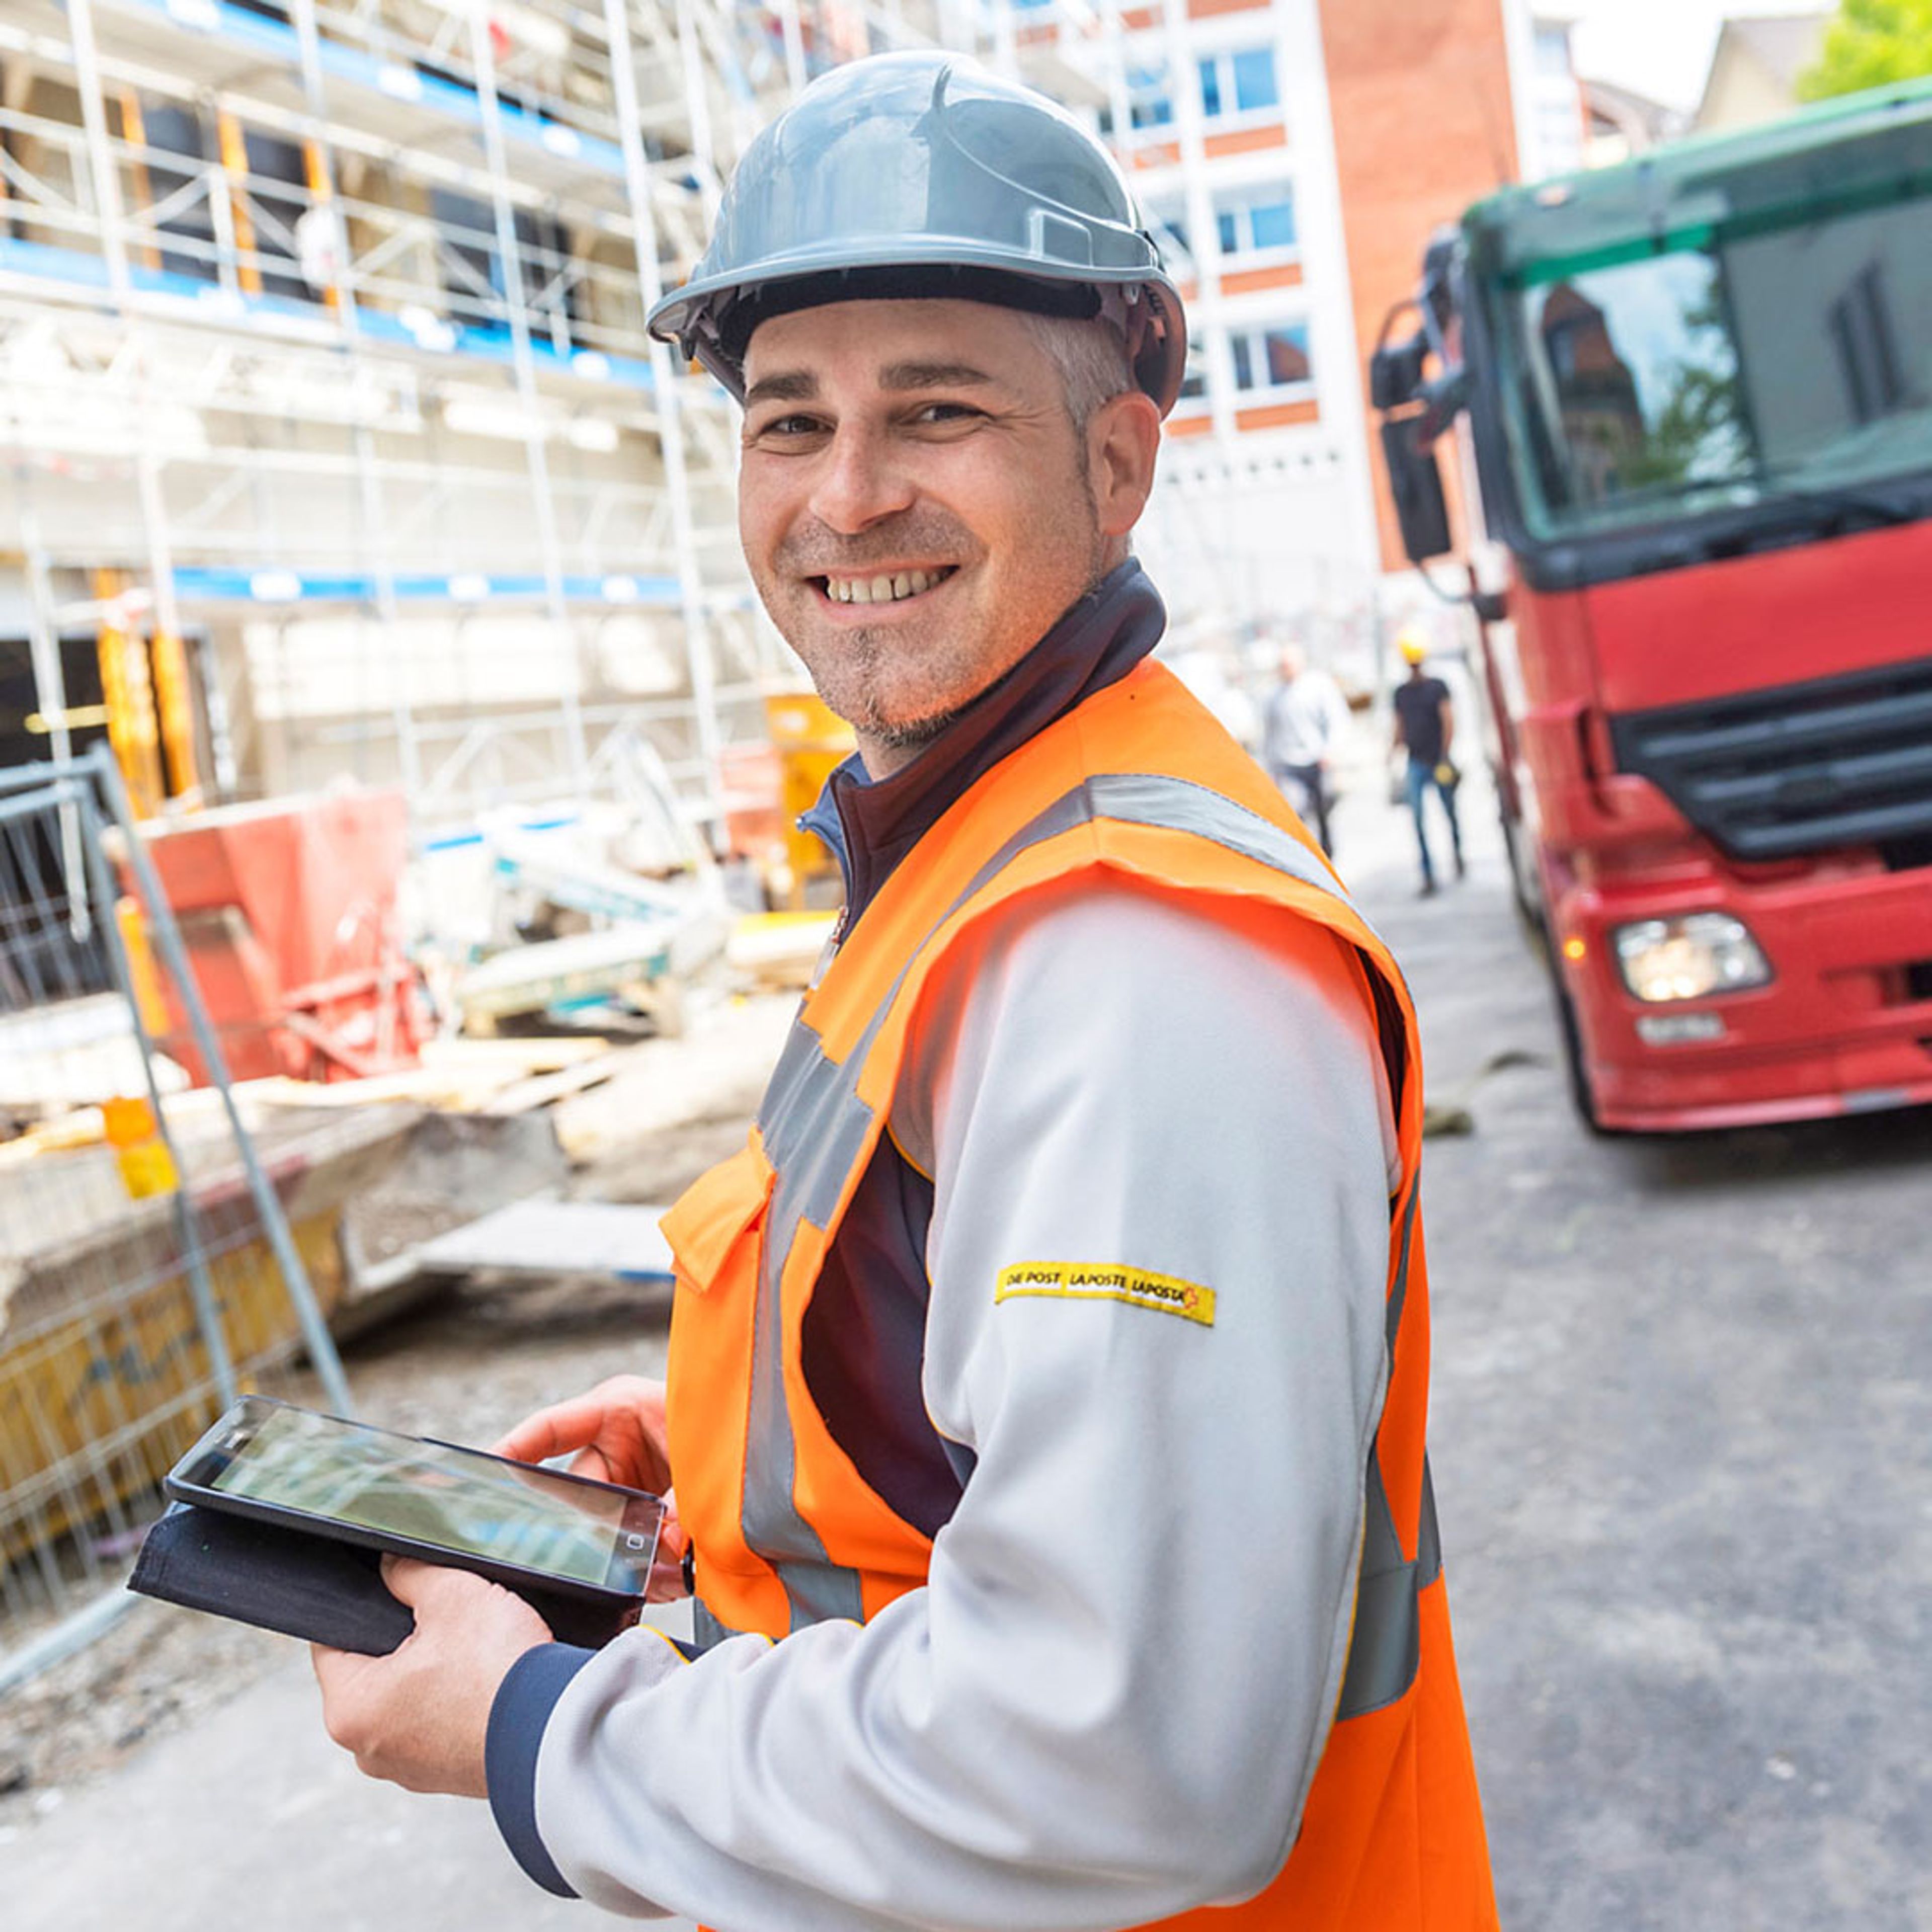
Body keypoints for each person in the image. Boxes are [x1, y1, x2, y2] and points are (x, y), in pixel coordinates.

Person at [312, 52, 1497, 1930]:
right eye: (788, 423)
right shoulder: (984, 832)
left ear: (1116, 462)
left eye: (933, 410)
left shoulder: (1139, 956)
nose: (846, 499)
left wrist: (540, 1731)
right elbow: (975, 1368)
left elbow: (1120, 1753)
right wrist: (772, 1430)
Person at [1391, 628, 1465, 896]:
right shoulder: (1400, 693)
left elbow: (1448, 721)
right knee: (1419, 821)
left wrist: (1445, 755)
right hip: (1417, 762)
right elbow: (1399, 727)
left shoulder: (1437, 687)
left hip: (1438, 761)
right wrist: (1392, 752)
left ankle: (1457, 854)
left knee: (1449, 812)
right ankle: (1428, 873)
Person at [1262, 641, 1350, 856]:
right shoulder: (1274, 697)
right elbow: (1269, 736)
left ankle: (1328, 855)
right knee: (1297, 814)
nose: (1286, 669)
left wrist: (1331, 751)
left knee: (1324, 813)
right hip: (1289, 765)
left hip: (1318, 761)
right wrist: (1270, 770)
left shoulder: (1318, 686)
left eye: (1289, 664)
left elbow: (1337, 719)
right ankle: (1307, 859)